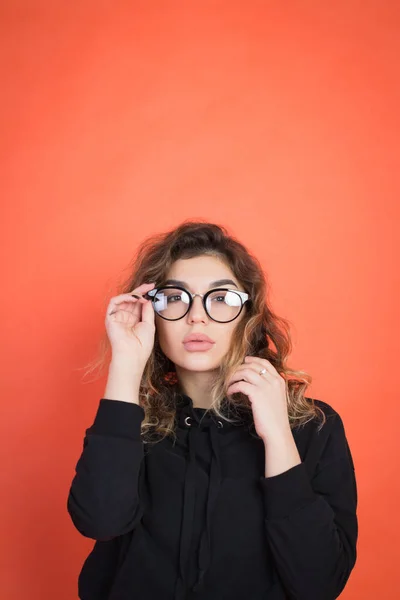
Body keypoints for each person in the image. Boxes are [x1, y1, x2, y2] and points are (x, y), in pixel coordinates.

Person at [67, 220, 358, 600]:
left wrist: (278, 436)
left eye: (221, 298)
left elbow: (318, 584)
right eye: (175, 297)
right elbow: (99, 521)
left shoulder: (313, 427)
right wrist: (126, 363)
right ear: (151, 312)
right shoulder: (131, 427)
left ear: (248, 317)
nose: (197, 316)